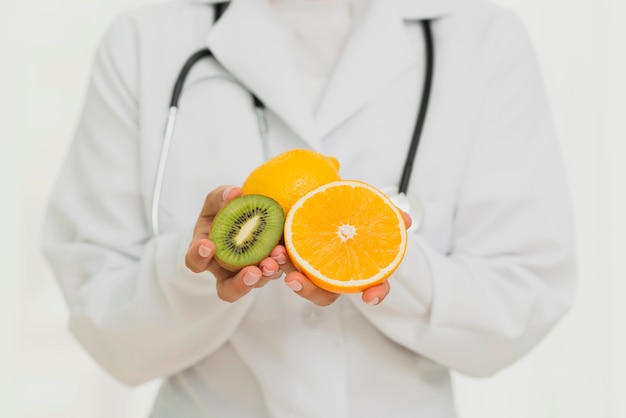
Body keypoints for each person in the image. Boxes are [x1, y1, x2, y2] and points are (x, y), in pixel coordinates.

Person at [42, 0, 577, 417]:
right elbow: (103, 326)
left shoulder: (483, 37)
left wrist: (381, 259)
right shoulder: (143, 40)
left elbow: (522, 300)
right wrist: (198, 274)